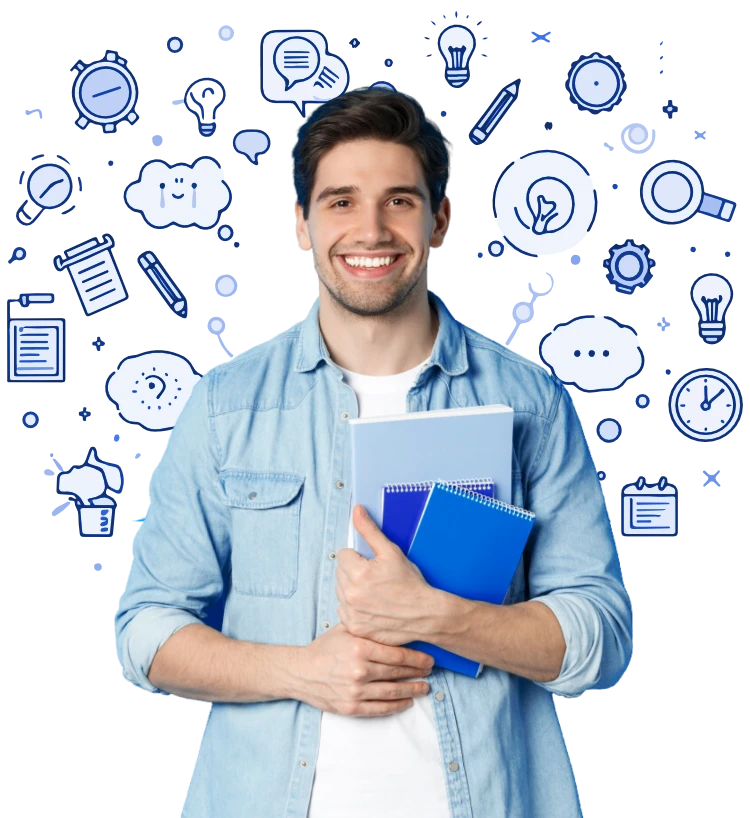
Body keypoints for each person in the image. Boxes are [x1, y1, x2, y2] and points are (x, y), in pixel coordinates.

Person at [114, 85, 633, 818]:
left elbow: (602, 639)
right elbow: (144, 633)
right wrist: (302, 672)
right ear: (300, 222)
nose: (371, 229)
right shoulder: (228, 406)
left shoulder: (529, 401)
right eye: (340, 202)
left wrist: (437, 616)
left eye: (399, 200)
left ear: (440, 219)